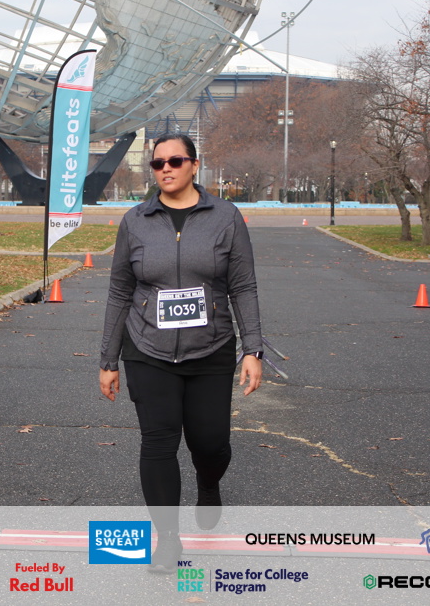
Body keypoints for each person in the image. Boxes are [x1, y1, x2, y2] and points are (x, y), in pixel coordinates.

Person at [99, 133, 263, 573]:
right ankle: (168, 539)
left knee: (211, 443)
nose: (166, 169)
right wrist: (108, 360)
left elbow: (243, 286)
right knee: (158, 441)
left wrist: (253, 348)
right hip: (147, 348)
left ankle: (208, 484)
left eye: (175, 161)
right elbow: (119, 291)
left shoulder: (225, 217)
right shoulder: (135, 221)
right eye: (158, 163)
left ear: (194, 164)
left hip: (210, 348)